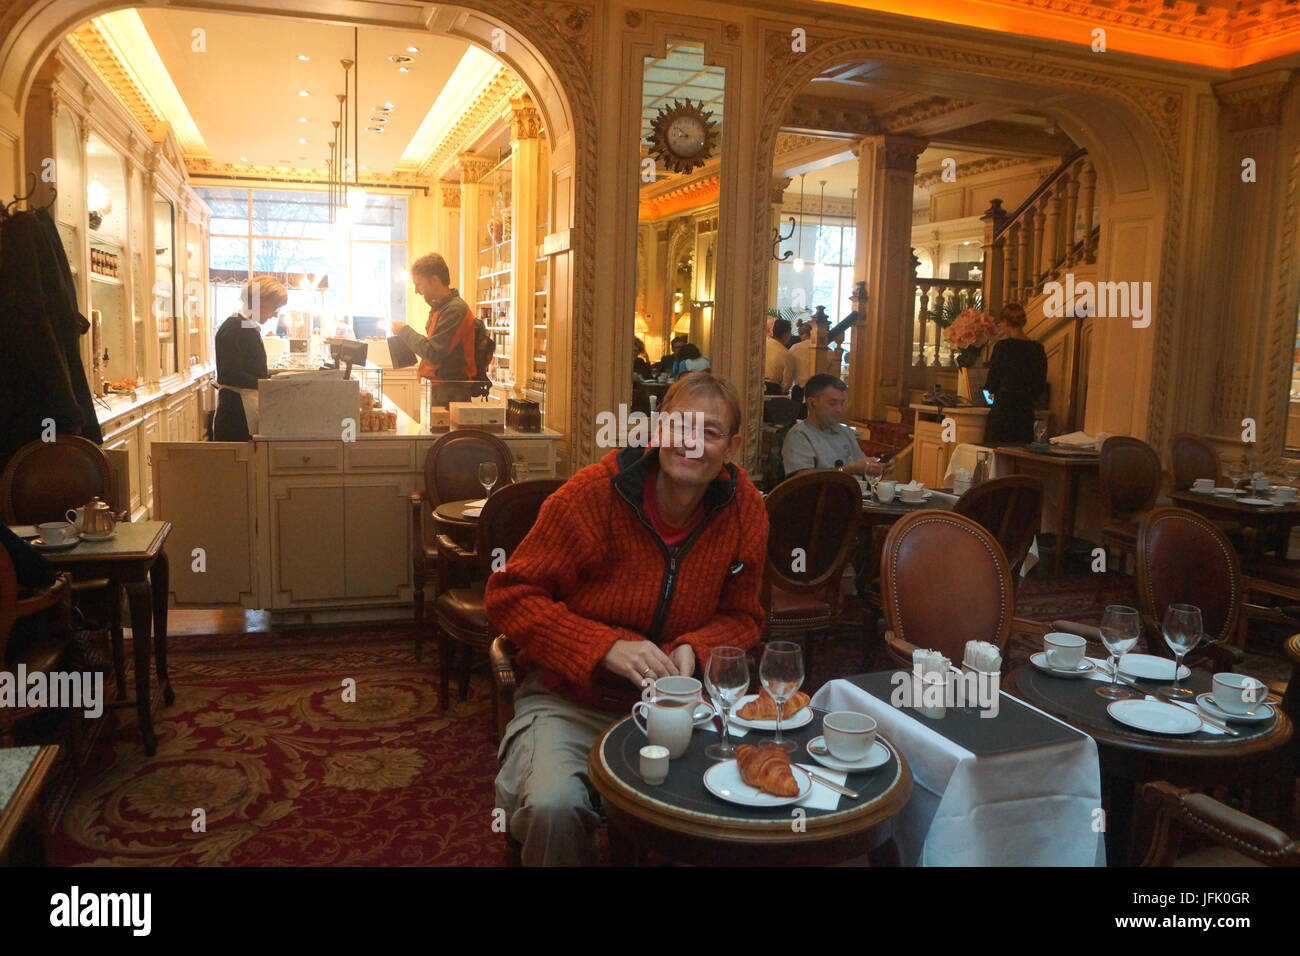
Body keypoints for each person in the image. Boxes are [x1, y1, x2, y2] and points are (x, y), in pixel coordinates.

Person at [486, 372, 769, 866]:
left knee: (738, 807)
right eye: (681, 425)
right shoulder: (592, 496)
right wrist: (602, 646)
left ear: (733, 447)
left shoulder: (746, 508)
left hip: (684, 710)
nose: (691, 443)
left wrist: (695, 648)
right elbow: (509, 596)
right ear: (658, 429)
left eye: (710, 432)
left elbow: (744, 615)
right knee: (554, 809)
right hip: (572, 699)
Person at [389, 253, 476, 406]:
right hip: (442, 389)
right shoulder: (441, 308)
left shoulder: (454, 310)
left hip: (450, 393)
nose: (416, 291)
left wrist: (404, 331)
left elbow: (434, 352)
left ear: (435, 280)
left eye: (418, 284)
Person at [213, 276, 286, 441]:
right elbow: (229, 375)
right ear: (261, 301)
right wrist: (269, 383)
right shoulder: (235, 328)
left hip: (241, 408)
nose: (275, 315)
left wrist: (271, 378)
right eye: (275, 307)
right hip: (236, 415)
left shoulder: (244, 325)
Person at [782, 373, 888, 478]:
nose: (839, 410)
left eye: (842, 403)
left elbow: (863, 466)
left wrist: (879, 467)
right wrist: (849, 469)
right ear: (812, 403)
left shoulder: (846, 432)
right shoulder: (799, 436)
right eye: (833, 403)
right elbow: (801, 480)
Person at [983, 301, 1047, 444]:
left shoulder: (1002, 347)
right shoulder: (1037, 349)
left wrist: (990, 399)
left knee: (997, 453)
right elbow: (1040, 384)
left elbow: (992, 382)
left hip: (1003, 409)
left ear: (1005, 322)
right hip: (1025, 411)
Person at [764, 318, 796, 393]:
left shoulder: (762, 345)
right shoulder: (786, 354)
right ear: (786, 335)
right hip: (773, 391)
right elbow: (786, 384)